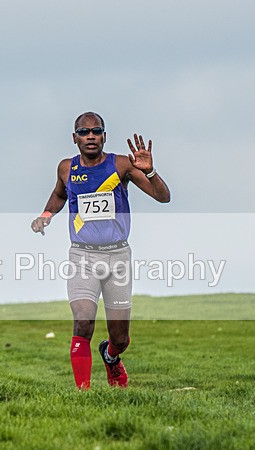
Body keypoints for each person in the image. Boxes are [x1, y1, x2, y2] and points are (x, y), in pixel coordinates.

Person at [31, 112, 170, 389]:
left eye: (96, 131)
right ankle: (82, 395)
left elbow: (163, 197)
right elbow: (60, 194)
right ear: (75, 138)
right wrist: (46, 213)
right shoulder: (65, 168)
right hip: (82, 256)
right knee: (83, 321)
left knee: (120, 338)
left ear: (104, 136)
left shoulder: (120, 165)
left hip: (118, 257)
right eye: (84, 132)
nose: (90, 136)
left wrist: (150, 171)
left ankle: (111, 356)